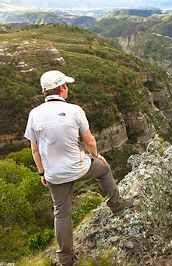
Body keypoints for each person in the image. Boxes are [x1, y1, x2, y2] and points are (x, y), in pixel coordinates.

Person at [24, 70, 130, 266]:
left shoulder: (34, 114)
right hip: (79, 167)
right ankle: (116, 204)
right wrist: (96, 156)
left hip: (54, 174)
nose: (68, 88)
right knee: (104, 170)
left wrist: (42, 172)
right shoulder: (75, 110)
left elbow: (34, 149)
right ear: (62, 88)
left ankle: (66, 259)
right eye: (66, 85)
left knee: (61, 213)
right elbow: (89, 140)